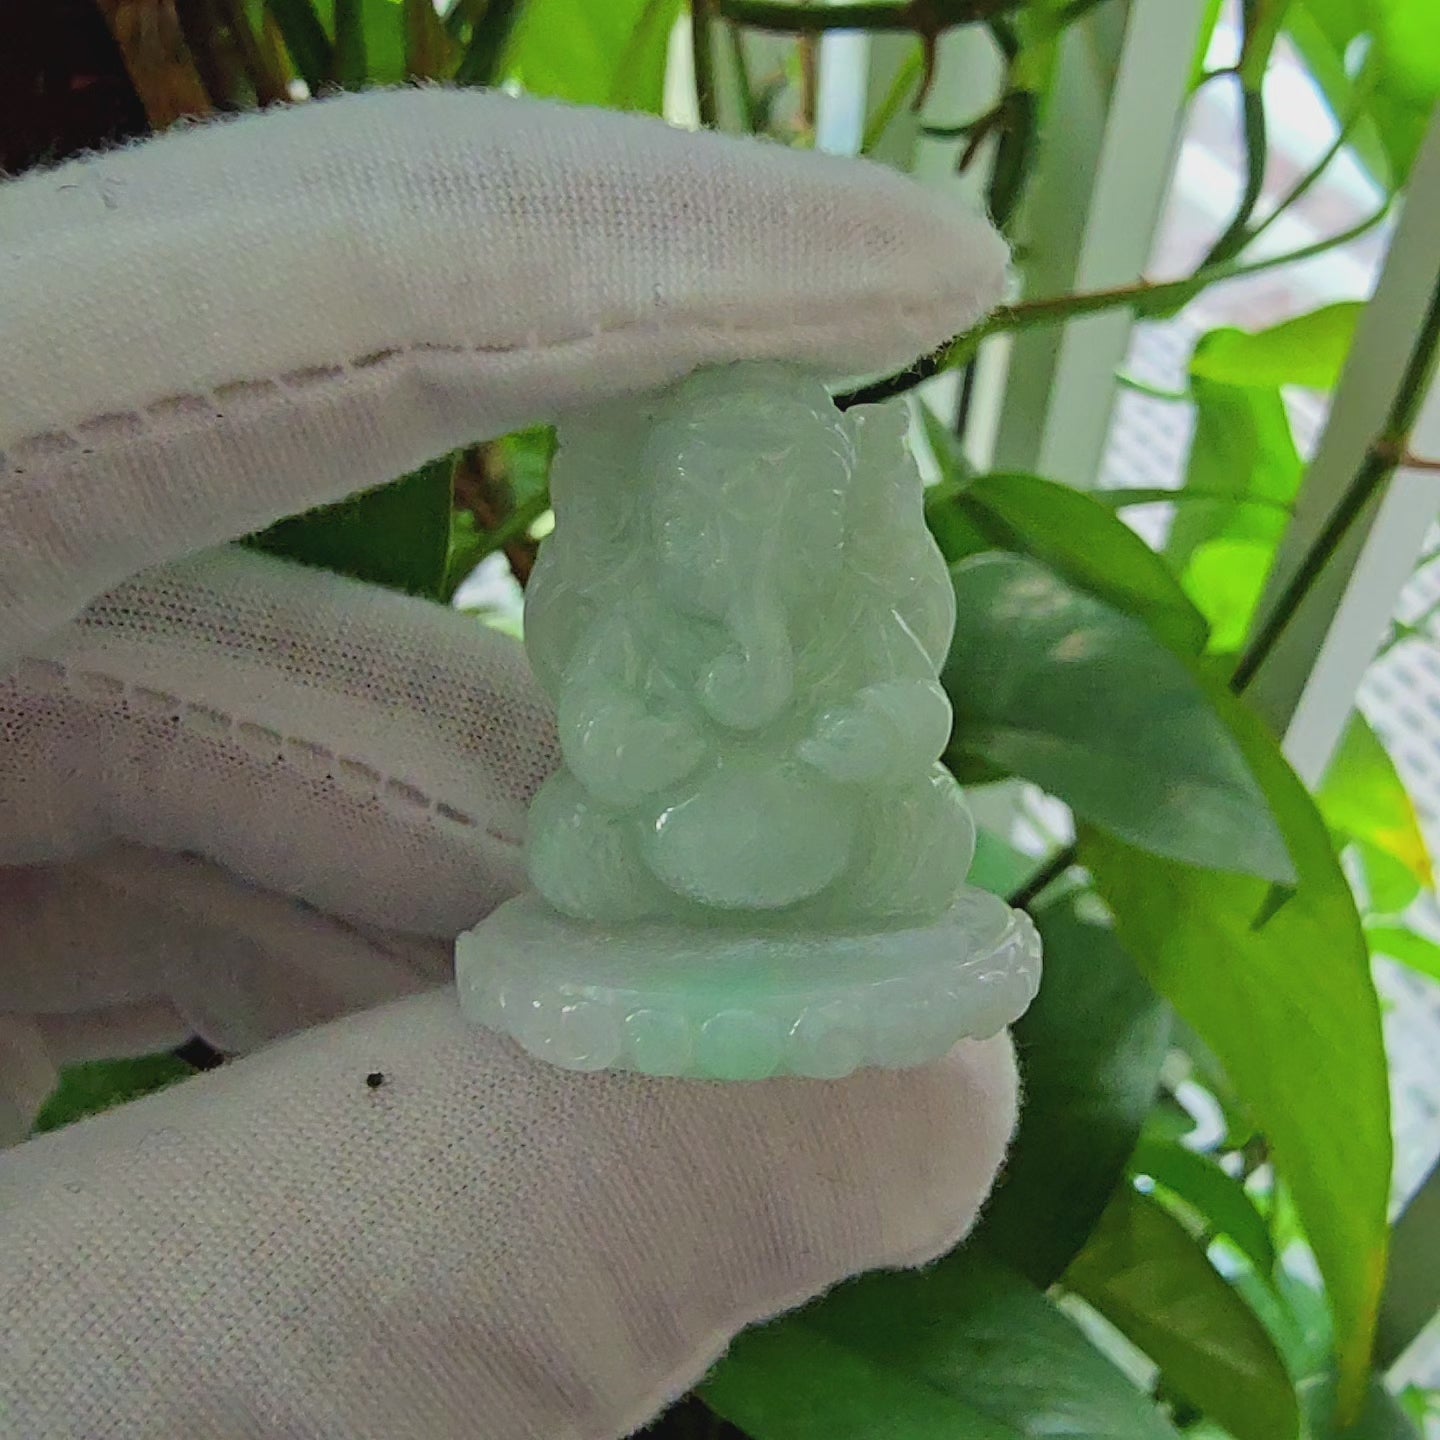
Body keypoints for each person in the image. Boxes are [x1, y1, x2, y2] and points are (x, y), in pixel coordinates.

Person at [0, 86, 1017, 1438]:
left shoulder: (848, 608)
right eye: (706, 514)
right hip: (668, 857)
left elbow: (904, 705)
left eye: (776, 516)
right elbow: (603, 739)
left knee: (921, 833)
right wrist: (645, 748)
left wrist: (873, 736)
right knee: (571, 841)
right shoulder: (639, 616)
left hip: (829, 853)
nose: (738, 546)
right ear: (657, 518)